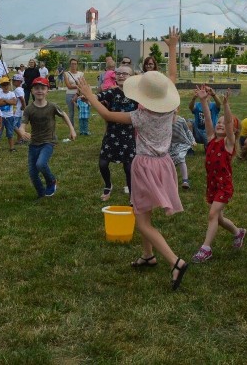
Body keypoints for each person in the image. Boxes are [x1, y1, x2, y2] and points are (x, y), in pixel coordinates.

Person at [77, 70, 189, 291]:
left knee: (142, 222)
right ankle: (148, 256)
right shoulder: (169, 109)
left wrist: (90, 95)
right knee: (144, 209)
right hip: (164, 164)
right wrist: (174, 48)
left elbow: (109, 116)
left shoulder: (141, 116)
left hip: (145, 166)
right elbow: (172, 79)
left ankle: (175, 261)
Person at [191, 86, 247, 263]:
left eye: (225, 122)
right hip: (212, 184)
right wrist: (203, 100)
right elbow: (208, 118)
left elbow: (230, 124)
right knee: (219, 218)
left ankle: (205, 248)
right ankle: (238, 232)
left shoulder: (228, 143)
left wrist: (226, 105)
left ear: (234, 131)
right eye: (219, 122)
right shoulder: (211, 139)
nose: (221, 123)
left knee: (212, 215)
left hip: (224, 186)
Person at [16, 77, 75, 198]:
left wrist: (72, 129)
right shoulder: (29, 109)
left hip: (48, 141)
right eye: (36, 88)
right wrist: (22, 132)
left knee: (41, 164)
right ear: (32, 91)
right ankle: (41, 195)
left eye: (43, 88)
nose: (39, 91)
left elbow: (63, 115)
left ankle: (51, 181)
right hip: (34, 143)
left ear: (47, 91)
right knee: (33, 174)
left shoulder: (52, 106)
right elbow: (22, 125)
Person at [95, 65, 138, 201]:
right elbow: (98, 96)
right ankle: (108, 185)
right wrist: (89, 98)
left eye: (125, 74)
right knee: (103, 163)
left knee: (129, 167)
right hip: (112, 134)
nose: (121, 76)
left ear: (132, 77)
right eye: (118, 73)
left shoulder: (136, 95)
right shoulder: (112, 92)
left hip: (128, 136)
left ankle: (132, 194)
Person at [170, 108, 196, 189]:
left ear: (177, 110)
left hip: (183, 143)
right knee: (170, 161)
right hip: (171, 145)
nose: (172, 115)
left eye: (174, 112)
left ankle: (185, 180)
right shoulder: (165, 121)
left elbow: (187, 131)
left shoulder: (181, 120)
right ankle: (170, 181)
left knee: (180, 158)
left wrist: (193, 140)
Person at [0, 77, 18, 152]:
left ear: (9, 85)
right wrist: (9, 101)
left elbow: (14, 102)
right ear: (1, 86)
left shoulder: (12, 93)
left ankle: (12, 148)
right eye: (3, 85)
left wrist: (4, 100)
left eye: (7, 85)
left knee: (10, 133)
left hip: (10, 116)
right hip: (0, 117)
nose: (5, 87)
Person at [62, 58, 82, 128]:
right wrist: (78, 86)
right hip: (69, 95)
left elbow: (83, 85)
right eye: (72, 64)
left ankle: (83, 128)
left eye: (75, 64)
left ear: (77, 65)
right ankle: (72, 128)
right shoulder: (66, 74)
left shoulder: (81, 74)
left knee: (82, 111)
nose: (73, 65)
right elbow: (68, 86)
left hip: (79, 95)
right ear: (70, 65)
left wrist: (77, 94)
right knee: (71, 113)